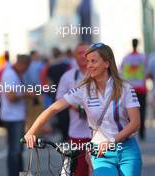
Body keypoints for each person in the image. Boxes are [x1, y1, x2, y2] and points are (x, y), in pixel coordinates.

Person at [24, 43, 142, 176]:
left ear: (107, 63)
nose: (89, 65)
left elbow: (135, 123)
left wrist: (112, 141)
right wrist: (31, 132)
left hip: (127, 150)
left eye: (94, 61)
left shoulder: (125, 88)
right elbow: (52, 109)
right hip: (100, 152)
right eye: (88, 61)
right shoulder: (83, 90)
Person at [56, 42, 91, 176]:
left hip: (102, 134)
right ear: (74, 56)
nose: (83, 56)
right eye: (79, 53)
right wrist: (77, 107)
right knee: (79, 171)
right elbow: (59, 99)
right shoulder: (68, 76)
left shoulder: (101, 74)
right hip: (78, 133)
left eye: (86, 52)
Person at [0, 54, 33, 176]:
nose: (26, 70)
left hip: (15, 116)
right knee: (15, 150)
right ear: (22, 64)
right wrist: (27, 94)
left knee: (18, 150)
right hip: (12, 117)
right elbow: (11, 96)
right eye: (26, 67)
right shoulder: (10, 74)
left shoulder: (14, 73)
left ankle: (20, 173)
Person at [120, 39, 147, 140]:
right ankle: (142, 134)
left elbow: (121, 70)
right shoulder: (143, 57)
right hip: (141, 88)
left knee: (128, 113)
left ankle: (129, 132)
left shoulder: (126, 57)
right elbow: (147, 71)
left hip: (129, 88)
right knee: (142, 111)